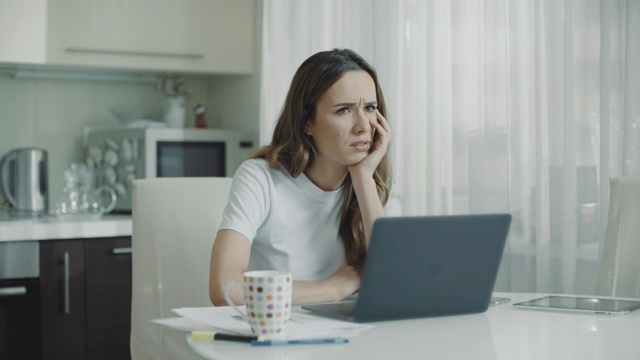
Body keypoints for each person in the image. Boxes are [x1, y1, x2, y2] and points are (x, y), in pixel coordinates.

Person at [209, 48, 396, 306]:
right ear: (306, 121)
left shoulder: (373, 185)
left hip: (355, 336)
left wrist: (363, 177)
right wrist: (330, 290)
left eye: (370, 108)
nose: (363, 126)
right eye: (344, 110)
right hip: (281, 334)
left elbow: (392, 285)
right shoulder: (261, 179)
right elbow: (225, 288)